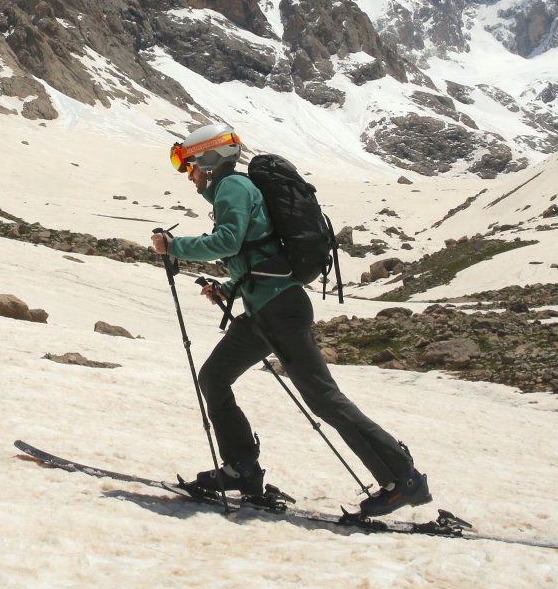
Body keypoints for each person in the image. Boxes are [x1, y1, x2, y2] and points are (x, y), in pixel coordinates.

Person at [151, 123, 431, 517]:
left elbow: (228, 242)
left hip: (280, 311)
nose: (188, 175)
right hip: (267, 310)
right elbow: (253, 257)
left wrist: (174, 246)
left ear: (209, 161)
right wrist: (228, 291)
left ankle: (405, 479)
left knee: (325, 400)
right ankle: (241, 469)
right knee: (214, 377)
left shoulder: (232, 188)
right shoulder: (235, 189)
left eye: (188, 165)